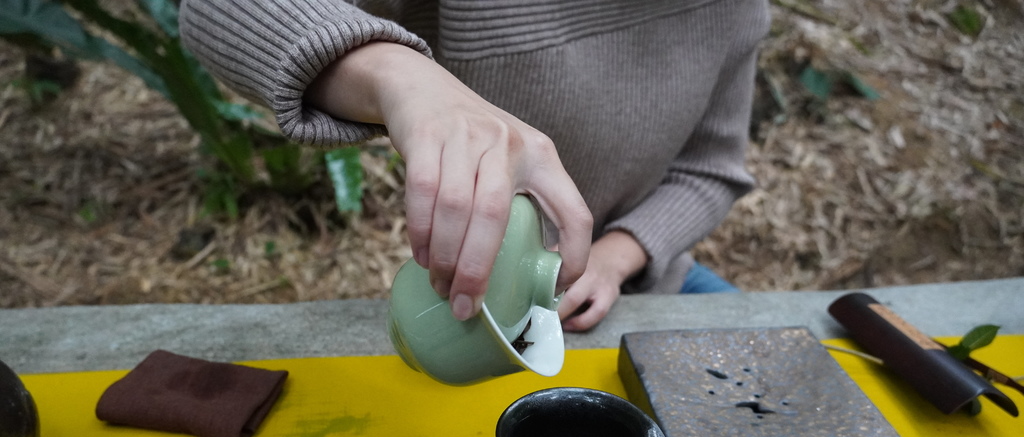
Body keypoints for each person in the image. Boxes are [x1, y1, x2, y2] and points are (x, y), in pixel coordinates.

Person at [179, 0, 770, 331]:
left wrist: (614, 259)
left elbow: (712, 169)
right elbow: (214, 11)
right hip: (476, 300)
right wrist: (400, 77)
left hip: (643, 281)